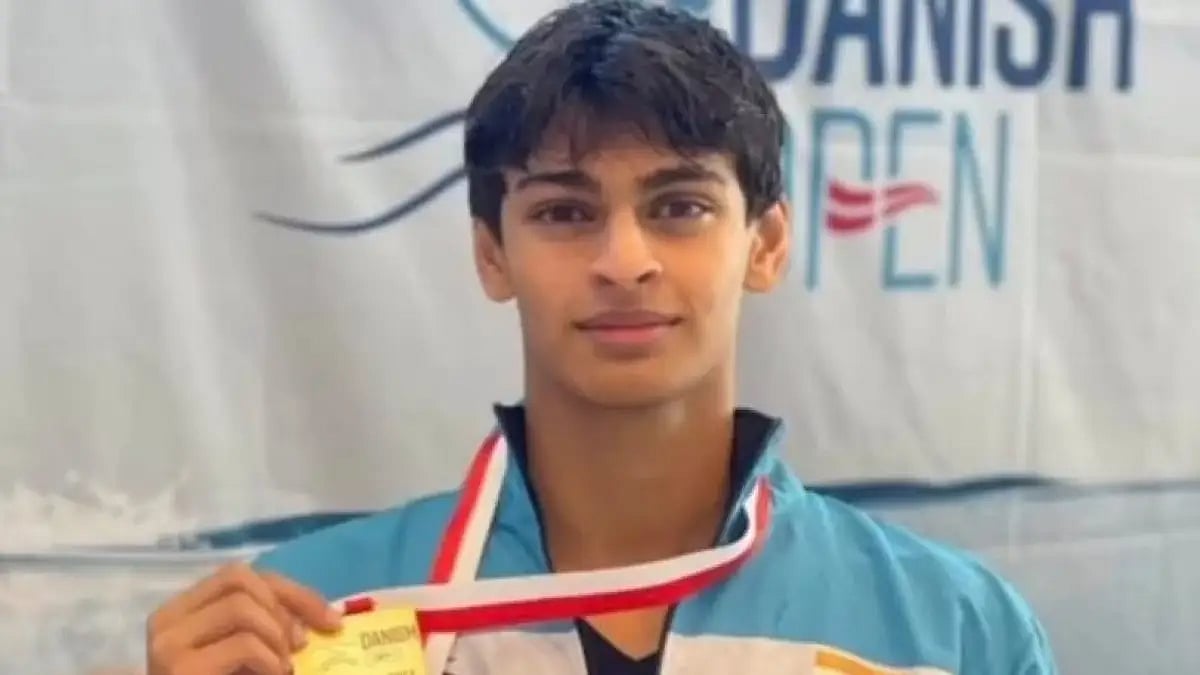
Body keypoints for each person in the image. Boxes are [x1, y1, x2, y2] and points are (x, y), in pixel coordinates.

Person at [145, 1, 1057, 673]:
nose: (625, 259)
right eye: (565, 211)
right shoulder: (305, 619)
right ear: (492, 254)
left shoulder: (953, 631)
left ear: (766, 243)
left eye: (680, 205)